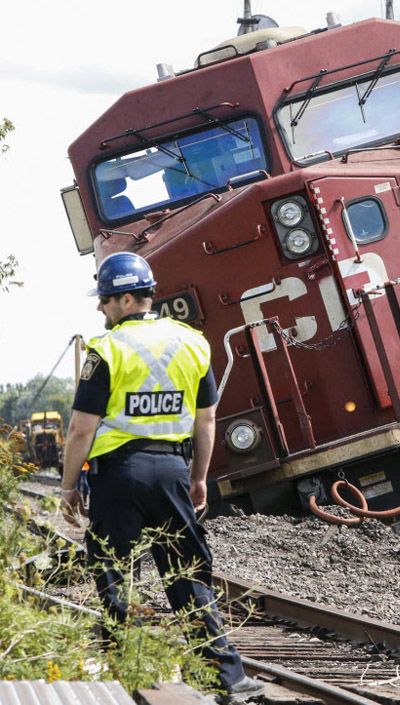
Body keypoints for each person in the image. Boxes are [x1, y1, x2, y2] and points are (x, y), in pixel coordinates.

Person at [59, 252, 264, 702]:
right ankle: (227, 676)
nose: (100, 309)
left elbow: (80, 428)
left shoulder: (106, 350)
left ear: (127, 299)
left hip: (118, 476)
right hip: (172, 470)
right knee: (188, 572)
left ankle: (123, 672)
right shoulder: (194, 342)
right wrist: (198, 478)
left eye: (106, 300)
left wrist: (69, 486)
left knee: (113, 572)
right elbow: (206, 421)